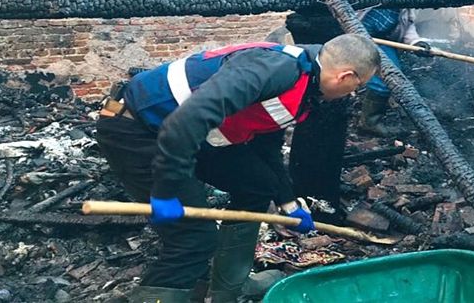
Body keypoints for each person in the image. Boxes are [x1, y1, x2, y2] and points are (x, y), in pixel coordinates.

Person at [94, 34, 380, 303]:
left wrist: (288, 202)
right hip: (137, 130)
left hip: (187, 133)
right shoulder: (274, 69)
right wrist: (166, 190)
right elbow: (187, 120)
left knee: (256, 184)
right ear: (346, 76)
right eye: (356, 88)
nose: (351, 94)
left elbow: (265, 147)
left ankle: (229, 287)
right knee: (193, 238)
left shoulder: (306, 84)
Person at [324, 0, 432, 137]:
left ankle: (369, 122)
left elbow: (407, 22)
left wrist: (416, 42)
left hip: (380, 38)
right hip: (348, 32)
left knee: (391, 75)